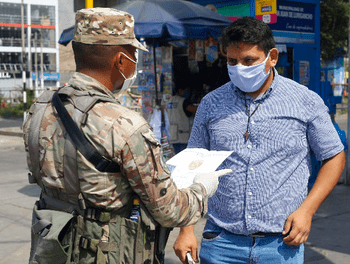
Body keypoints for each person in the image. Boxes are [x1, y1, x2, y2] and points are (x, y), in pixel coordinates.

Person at [22, 8, 231, 264]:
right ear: (120, 61)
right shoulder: (124, 124)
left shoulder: (40, 107)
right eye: (133, 54)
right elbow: (170, 210)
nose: (135, 62)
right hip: (105, 252)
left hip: (53, 248)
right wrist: (202, 188)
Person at [173, 17, 345, 264]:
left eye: (249, 60)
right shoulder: (211, 104)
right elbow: (193, 165)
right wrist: (186, 229)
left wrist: (308, 209)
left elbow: (334, 155)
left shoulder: (304, 101)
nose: (239, 68)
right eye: (232, 61)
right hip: (221, 242)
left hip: (281, 245)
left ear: (272, 57)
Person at [168, 86, 198, 154]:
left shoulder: (169, 101)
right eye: (186, 90)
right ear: (180, 90)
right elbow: (195, 110)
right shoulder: (183, 101)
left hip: (173, 135)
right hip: (183, 136)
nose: (188, 93)